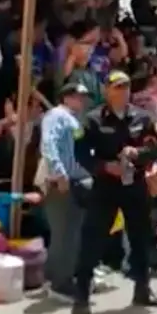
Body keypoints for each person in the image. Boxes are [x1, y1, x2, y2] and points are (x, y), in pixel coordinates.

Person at [71, 70, 157, 314]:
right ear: (107, 91)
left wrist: (139, 154)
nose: (122, 92)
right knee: (92, 240)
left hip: (135, 184)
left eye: (125, 87)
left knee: (140, 237)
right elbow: (80, 152)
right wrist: (103, 166)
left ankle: (142, 289)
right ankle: (81, 298)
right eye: (117, 87)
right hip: (106, 187)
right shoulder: (92, 119)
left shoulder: (142, 117)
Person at [39, 82, 93, 301]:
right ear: (66, 97)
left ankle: (54, 279)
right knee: (66, 234)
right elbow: (49, 143)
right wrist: (59, 173)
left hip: (75, 182)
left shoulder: (74, 119)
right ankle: (60, 284)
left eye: (84, 97)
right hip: (61, 182)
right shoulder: (57, 115)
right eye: (78, 96)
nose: (82, 100)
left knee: (68, 233)